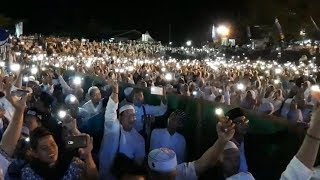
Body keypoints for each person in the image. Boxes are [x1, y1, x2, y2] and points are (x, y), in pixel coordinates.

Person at [148, 117, 235, 180]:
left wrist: (222, 140)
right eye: (159, 176)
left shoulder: (181, 174)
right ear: (150, 174)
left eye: (170, 176)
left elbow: (204, 163)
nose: (167, 179)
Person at [99, 81, 145, 179]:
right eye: (128, 115)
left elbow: (138, 162)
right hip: (104, 173)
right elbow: (111, 110)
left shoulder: (139, 139)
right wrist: (115, 92)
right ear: (119, 117)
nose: (131, 119)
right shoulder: (113, 127)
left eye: (133, 116)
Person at [21, 127, 98, 179]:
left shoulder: (73, 162)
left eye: (53, 144)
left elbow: (93, 178)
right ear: (35, 153)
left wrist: (88, 155)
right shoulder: (29, 173)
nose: (51, 150)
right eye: (44, 148)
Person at [225, 108, 249, 174]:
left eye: (245, 121)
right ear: (231, 125)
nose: (244, 124)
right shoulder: (226, 146)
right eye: (240, 122)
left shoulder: (249, 140)